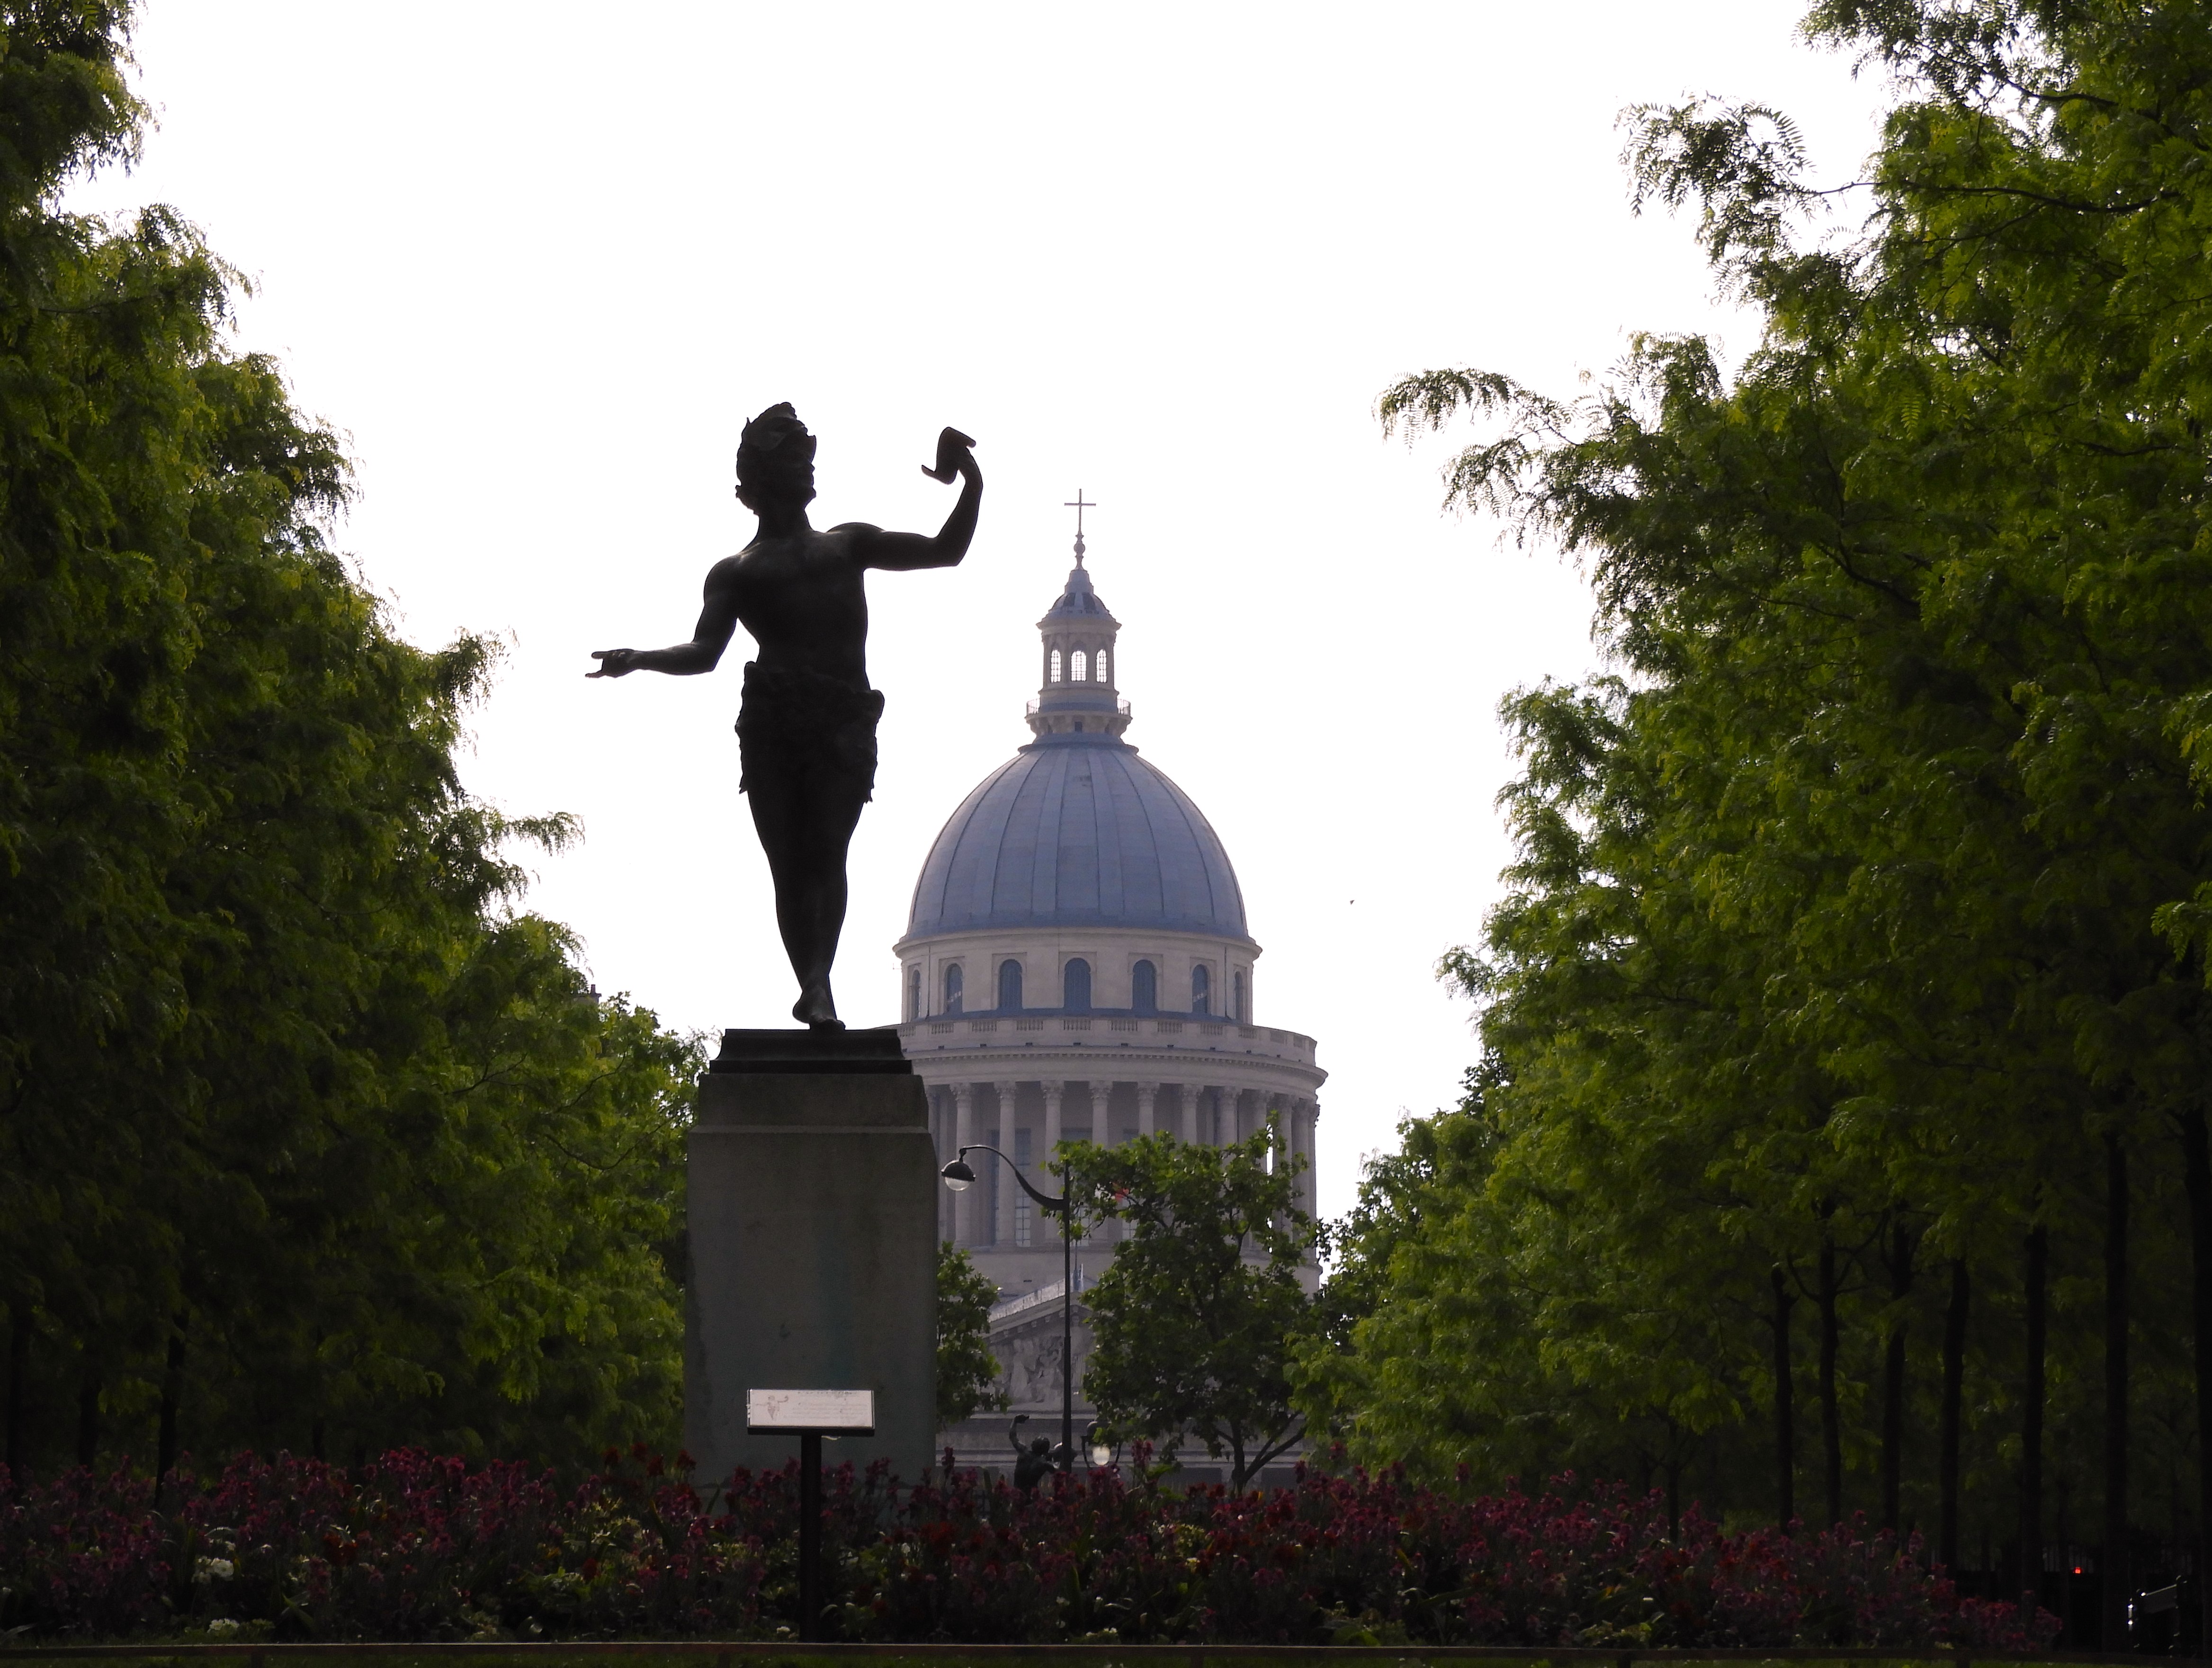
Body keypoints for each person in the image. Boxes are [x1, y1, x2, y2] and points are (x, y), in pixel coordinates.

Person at [589, 404, 980, 1027]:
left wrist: (972, 484)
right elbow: (703, 653)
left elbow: (944, 550)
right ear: (762, 482)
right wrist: (639, 658)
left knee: (827, 851)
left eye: (808, 459)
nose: (808, 470)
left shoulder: (848, 544)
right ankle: (815, 985)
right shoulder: (739, 572)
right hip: (772, 726)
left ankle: (819, 983)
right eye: (796, 461)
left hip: (841, 724)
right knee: (788, 866)